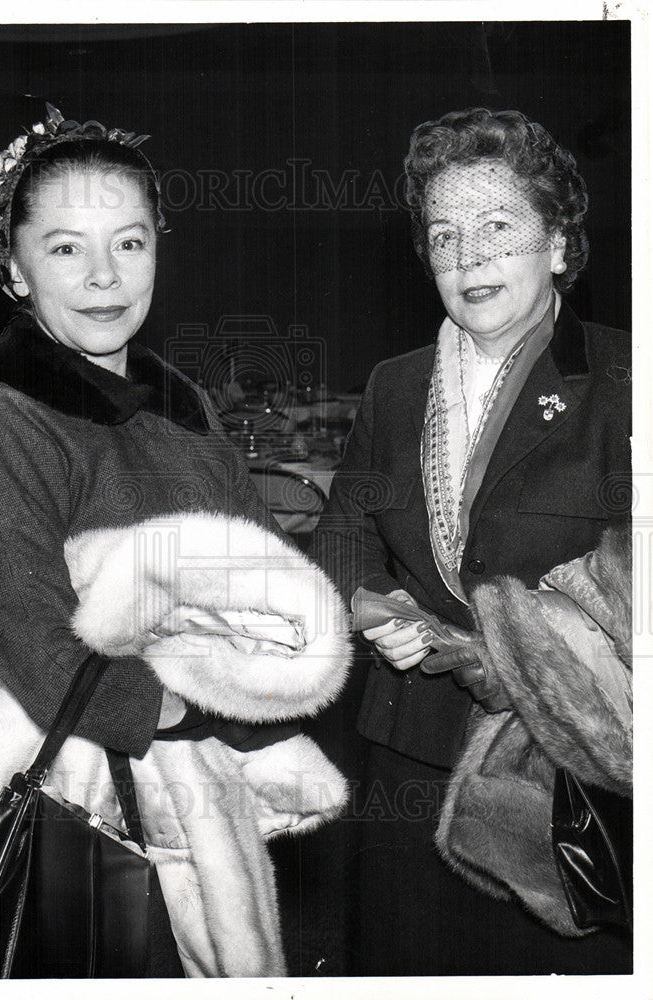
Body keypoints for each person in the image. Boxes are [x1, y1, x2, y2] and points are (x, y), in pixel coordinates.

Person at [0, 105, 351, 979]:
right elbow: (43, 651)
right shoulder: (2, 417)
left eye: (128, 244)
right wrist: (200, 697)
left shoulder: (184, 404)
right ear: (13, 269)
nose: (103, 277)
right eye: (64, 249)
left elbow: (259, 570)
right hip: (81, 801)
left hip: (201, 799)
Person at [310, 107, 631, 975]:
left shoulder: (624, 383)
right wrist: (375, 605)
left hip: (566, 768)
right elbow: (342, 536)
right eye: (444, 235)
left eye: (498, 227)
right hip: (409, 753)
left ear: (558, 244)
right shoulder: (395, 384)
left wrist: (509, 648)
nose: (468, 256)